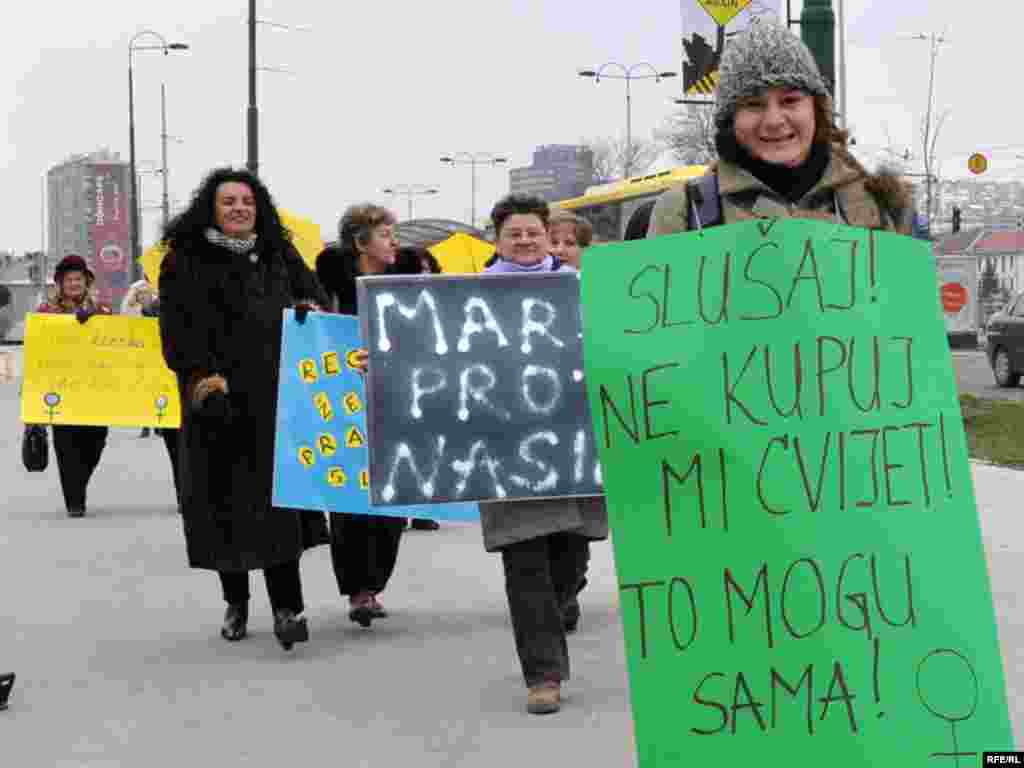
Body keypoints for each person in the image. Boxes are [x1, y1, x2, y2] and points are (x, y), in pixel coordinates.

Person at [158, 168, 329, 651]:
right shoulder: (184, 259)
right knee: (225, 506)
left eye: (247, 201)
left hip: (276, 398)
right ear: (210, 208)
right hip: (216, 400)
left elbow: (313, 296)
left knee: (278, 506)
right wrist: (203, 383)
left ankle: (287, 607)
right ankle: (236, 601)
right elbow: (176, 332)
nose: (239, 209)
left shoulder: (277, 252)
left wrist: (308, 309)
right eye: (228, 201)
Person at [480, 193, 608, 715]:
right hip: (506, 444)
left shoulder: (584, 289)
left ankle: (561, 602)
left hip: (573, 441)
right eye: (515, 233)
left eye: (534, 231)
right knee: (524, 554)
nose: (527, 240)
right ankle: (544, 674)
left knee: (569, 553)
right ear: (498, 240)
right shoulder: (469, 296)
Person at [648, 19, 913, 239]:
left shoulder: (879, 207)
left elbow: (908, 299)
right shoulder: (683, 214)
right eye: (754, 104)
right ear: (731, 118)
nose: (774, 120)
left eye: (790, 100)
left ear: (815, 108)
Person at [315, 204, 407, 628]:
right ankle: (359, 590)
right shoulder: (328, 288)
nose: (395, 242)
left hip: (396, 403)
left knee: (392, 503)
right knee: (350, 502)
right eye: (386, 234)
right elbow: (314, 341)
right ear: (361, 242)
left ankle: (375, 583)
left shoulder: (405, 283)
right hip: (343, 405)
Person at [35, 255, 112, 518]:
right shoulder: (46, 311)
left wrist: (97, 320)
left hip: (95, 390)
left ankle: (79, 482)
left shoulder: (102, 308)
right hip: (62, 390)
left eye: (78, 279)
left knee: (96, 441)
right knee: (66, 446)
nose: (74, 283)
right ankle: (74, 501)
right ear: (60, 283)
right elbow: (37, 348)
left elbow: (118, 343)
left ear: (86, 281)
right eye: (69, 279)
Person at [393, 244, 443, 532]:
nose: (425, 274)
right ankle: (399, 510)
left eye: (428, 269)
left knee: (427, 450)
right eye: (419, 269)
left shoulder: (439, 299)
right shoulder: (391, 301)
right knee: (401, 450)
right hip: (400, 386)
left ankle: (423, 509)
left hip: (431, 386)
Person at [120, 276, 182, 506]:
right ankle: (184, 494)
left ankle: (188, 494)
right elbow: (129, 322)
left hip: (195, 378)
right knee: (177, 444)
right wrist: (145, 306)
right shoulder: (142, 292)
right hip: (161, 375)